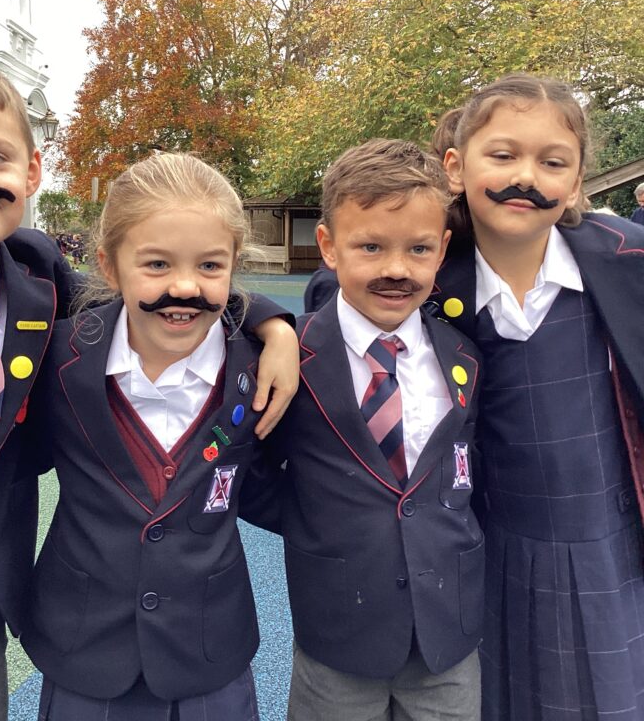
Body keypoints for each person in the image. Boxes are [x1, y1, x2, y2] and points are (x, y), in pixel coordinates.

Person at [0, 50, 297, 721]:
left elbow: (166, 294)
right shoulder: (62, 341)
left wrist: (275, 326)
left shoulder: (39, 283)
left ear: (31, 170)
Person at [21, 153, 280, 721]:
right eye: (156, 264)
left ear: (235, 265)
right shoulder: (53, 355)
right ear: (109, 266)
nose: (184, 287)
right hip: (84, 648)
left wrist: (272, 323)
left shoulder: (264, 367)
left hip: (210, 648)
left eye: (211, 266)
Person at [432, 73, 644, 720]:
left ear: (577, 182)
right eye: (502, 155)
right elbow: (338, 297)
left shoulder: (626, 261)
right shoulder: (429, 281)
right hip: (498, 550)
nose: (526, 176)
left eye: (552, 163)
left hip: (615, 543)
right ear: (455, 166)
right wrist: (270, 324)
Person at [271, 139, 484, 721]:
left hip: (449, 634)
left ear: (442, 250)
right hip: (338, 628)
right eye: (370, 246)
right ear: (329, 246)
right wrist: (314, 516)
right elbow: (253, 474)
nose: (396, 269)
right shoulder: (292, 353)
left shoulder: (463, 353)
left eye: (418, 248)